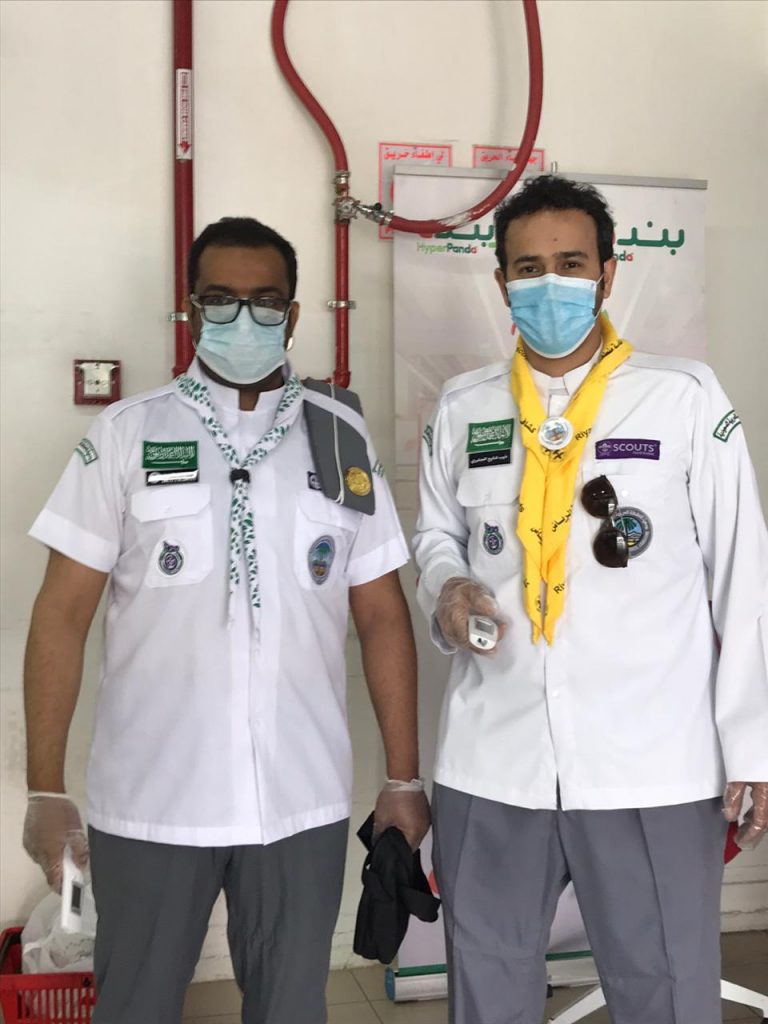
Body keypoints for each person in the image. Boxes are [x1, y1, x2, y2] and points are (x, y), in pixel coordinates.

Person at [22, 216, 430, 1024]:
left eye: (265, 301)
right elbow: (61, 614)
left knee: (290, 1009)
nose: (243, 319)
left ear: (294, 313)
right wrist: (45, 788)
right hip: (152, 799)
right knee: (134, 1006)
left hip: (299, 800)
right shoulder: (128, 434)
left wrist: (402, 779)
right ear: (191, 308)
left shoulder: (340, 438)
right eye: (221, 300)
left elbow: (383, 615)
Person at [413, 175, 768, 1024]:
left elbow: (743, 577)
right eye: (528, 268)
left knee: (666, 992)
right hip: (493, 760)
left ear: (609, 273)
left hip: (652, 762)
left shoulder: (682, 396)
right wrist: (448, 586)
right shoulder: (463, 408)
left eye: (570, 264)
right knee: (488, 989)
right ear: (501, 283)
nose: (550, 284)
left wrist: (752, 749)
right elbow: (433, 537)